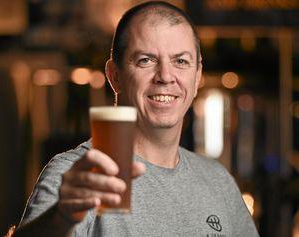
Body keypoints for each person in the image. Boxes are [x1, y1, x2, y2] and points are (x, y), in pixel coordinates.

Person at [13, 1, 259, 236]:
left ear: (197, 77)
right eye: (146, 60)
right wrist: (62, 217)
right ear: (114, 76)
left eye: (180, 61)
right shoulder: (78, 174)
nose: (165, 76)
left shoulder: (217, 180)